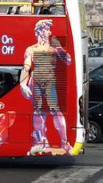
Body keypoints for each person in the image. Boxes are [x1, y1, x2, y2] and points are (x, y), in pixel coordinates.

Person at [20, 19, 72, 155]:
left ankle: (64, 142)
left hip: (50, 81)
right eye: (47, 29)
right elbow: (26, 67)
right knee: (38, 112)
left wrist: (60, 49)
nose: (49, 32)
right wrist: (23, 84)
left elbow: (68, 61)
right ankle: (41, 142)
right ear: (40, 31)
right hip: (36, 80)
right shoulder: (31, 49)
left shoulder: (54, 48)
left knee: (56, 111)